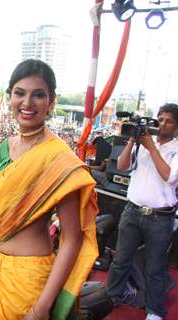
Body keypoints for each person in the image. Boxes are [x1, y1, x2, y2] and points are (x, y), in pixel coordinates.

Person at [0, 59, 98, 319]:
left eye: (38, 95)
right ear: (9, 97)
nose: (27, 103)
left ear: (51, 102)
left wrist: (43, 305)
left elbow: (72, 239)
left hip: (28, 279)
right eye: (20, 93)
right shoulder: (6, 147)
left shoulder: (59, 159)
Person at [107, 103, 178, 320]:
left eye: (168, 120)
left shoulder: (175, 148)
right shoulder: (144, 143)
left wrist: (151, 147)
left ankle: (154, 310)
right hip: (132, 211)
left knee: (155, 267)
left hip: (160, 218)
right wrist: (132, 140)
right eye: (160, 119)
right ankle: (111, 296)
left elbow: (170, 177)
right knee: (121, 260)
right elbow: (121, 166)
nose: (163, 124)